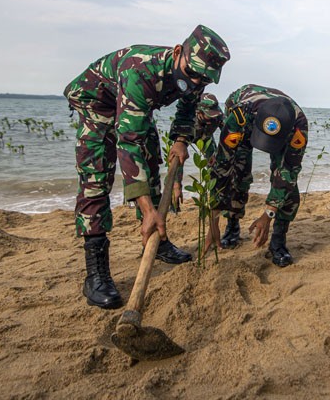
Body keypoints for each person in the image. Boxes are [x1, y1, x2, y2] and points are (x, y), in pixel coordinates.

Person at [64, 25, 230, 309]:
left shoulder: (195, 74)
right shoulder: (139, 71)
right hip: (97, 103)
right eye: (191, 74)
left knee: (151, 160)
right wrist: (146, 209)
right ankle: (95, 275)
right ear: (178, 52)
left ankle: (158, 243)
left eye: (202, 79)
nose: (193, 82)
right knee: (96, 178)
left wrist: (180, 141)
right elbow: (128, 143)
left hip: (136, 106)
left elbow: (187, 111)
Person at [212, 85, 308, 268]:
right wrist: (213, 218)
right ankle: (231, 226)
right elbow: (222, 165)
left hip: (285, 131)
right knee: (237, 172)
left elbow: (288, 173)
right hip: (246, 122)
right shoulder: (240, 115)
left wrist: (268, 214)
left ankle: (278, 240)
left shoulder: (299, 126)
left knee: (288, 186)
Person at [171, 92, 224, 208]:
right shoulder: (189, 118)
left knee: (214, 169)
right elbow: (179, 157)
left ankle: (214, 201)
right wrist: (177, 184)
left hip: (206, 139)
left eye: (213, 115)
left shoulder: (218, 115)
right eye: (208, 115)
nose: (212, 118)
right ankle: (173, 204)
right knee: (175, 165)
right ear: (199, 112)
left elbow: (227, 135)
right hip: (187, 136)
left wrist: (218, 152)